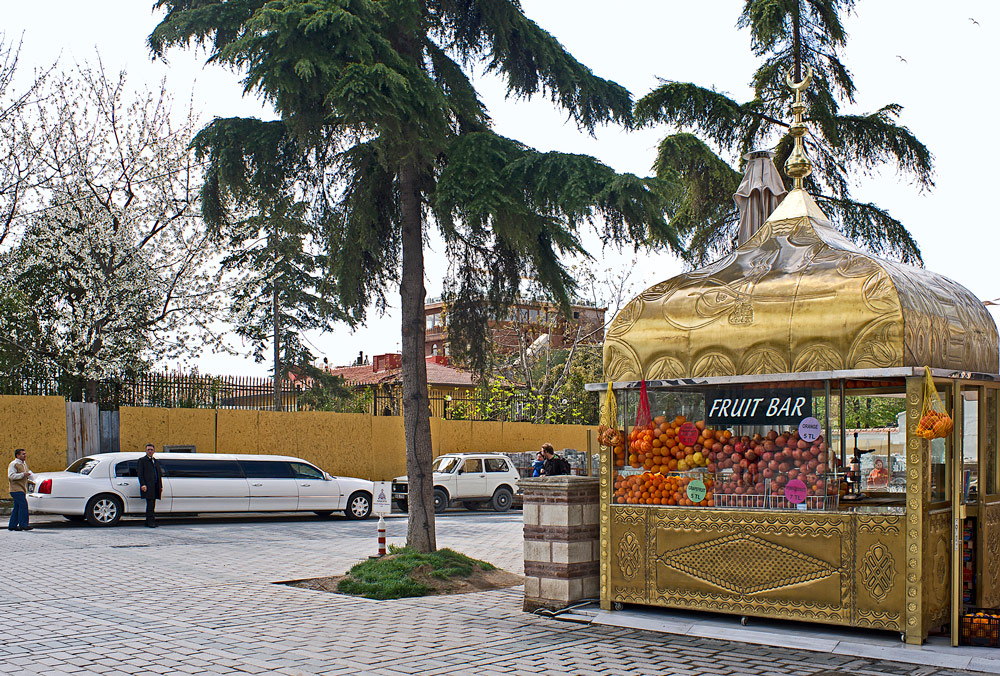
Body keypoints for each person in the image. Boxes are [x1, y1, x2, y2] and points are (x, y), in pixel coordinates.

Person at [8, 448, 34, 531]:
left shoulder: (24, 464)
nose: (25, 455)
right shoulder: (14, 464)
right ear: (17, 455)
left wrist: (30, 475)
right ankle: (23, 524)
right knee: (23, 505)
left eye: (25, 454)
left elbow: (26, 473)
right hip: (15, 489)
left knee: (17, 507)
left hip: (22, 488)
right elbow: (11, 476)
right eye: (23, 454)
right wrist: (23, 474)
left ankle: (12, 525)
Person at [137, 443, 162, 528]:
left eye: (151, 450)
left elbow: (159, 475)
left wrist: (160, 486)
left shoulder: (156, 461)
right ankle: (150, 522)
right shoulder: (142, 460)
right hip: (148, 486)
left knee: (152, 504)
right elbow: (140, 474)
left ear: (154, 451)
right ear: (145, 451)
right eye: (148, 449)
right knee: (150, 504)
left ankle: (149, 521)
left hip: (155, 486)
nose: (150, 451)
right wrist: (143, 484)